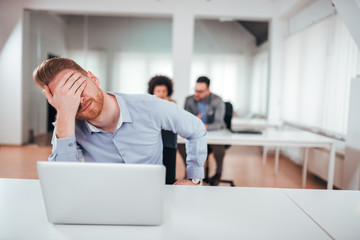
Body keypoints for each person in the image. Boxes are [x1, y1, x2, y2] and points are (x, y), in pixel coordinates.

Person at [33, 57, 207, 186]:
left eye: (78, 88)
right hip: (103, 201)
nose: (78, 100)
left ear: (93, 78)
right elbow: (63, 184)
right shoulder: (68, 125)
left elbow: (196, 129)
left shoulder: (150, 106)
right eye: (66, 97)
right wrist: (64, 114)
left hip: (151, 197)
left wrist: (194, 178)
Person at [179, 76, 225, 186]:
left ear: (208, 90)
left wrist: (204, 126)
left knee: (219, 146)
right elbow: (185, 119)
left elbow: (219, 123)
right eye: (195, 90)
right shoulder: (189, 100)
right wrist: (194, 120)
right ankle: (190, 173)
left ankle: (218, 174)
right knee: (181, 144)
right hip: (195, 133)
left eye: (200, 91)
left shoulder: (217, 100)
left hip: (213, 133)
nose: (196, 93)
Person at [147, 75, 177, 184]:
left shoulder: (172, 104)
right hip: (153, 142)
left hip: (169, 143)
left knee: (169, 172)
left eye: (164, 91)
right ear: (153, 91)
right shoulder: (148, 104)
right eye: (158, 91)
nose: (161, 94)